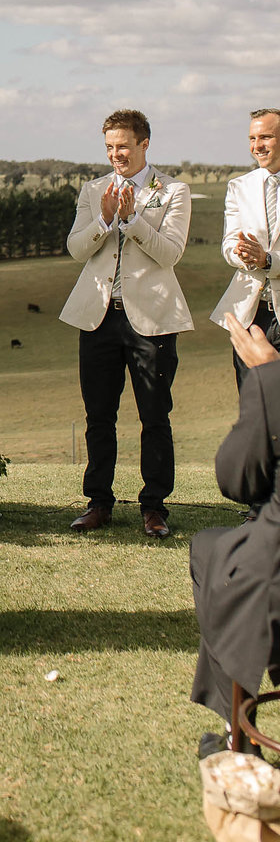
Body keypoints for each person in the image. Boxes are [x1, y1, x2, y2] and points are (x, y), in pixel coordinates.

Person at [59, 109, 192, 538]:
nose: (116, 155)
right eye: (109, 147)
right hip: (97, 319)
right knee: (99, 416)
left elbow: (170, 254)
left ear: (144, 145)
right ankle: (98, 502)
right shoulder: (93, 189)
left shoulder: (173, 190)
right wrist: (103, 220)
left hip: (151, 320)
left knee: (155, 415)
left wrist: (132, 220)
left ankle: (154, 508)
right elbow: (77, 250)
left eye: (123, 146)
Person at [190, 312, 280, 743]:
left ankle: (236, 735)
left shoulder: (273, 383)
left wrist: (265, 380)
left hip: (275, 591)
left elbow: (235, 479)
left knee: (209, 549)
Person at [211, 108, 280, 389]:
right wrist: (241, 254)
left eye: (265, 137)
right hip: (252, 315)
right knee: (255, 407)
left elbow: (268, 259)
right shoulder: (239, 186)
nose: (257, 146)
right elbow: (228, 244)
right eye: (252, 138)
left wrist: (268, 260)